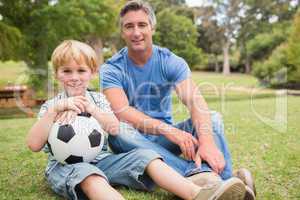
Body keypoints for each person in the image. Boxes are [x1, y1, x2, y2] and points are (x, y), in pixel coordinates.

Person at [26, 40, 248, 200]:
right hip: (67, 165)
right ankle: (208, 180)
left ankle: (198, 194)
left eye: (81, 70)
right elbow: (34, 144)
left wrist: (91, 108)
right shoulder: (51, 105)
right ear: (57, 74)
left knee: (147, 156)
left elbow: (113, 126)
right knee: (92, 178)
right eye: (67, 71)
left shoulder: (98, 100)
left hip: (103, 160)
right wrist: (54, 111)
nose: (74, 77)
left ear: (92, 72)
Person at [100, 0, 256, 199]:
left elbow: (195, 102)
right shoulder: (111, 68)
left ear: (152, 28)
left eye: (142, 25)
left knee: (213, 118)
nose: (136, 32)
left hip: (164, 141)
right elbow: (122, 112)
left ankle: (220, 183)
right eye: (129, 26)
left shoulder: (170, 61)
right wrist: (170, 130)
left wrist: (206, 142)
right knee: (118, 130)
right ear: (122, 32)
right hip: (130, 139)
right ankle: (213, 178)